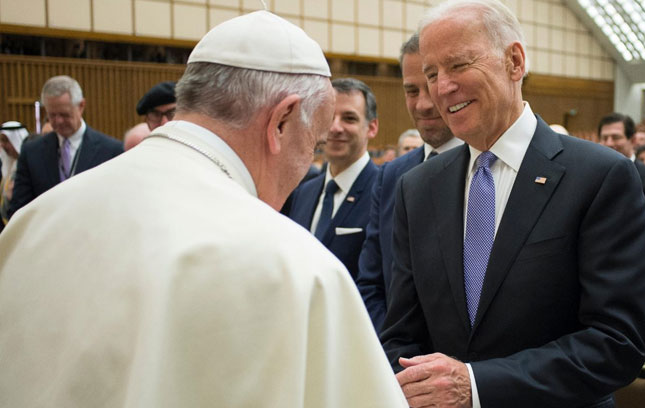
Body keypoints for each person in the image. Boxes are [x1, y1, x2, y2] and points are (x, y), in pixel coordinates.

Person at [0, 11, 407, 408]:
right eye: (312, 142)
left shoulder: (38, 218)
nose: (307, 165)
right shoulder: (293, 266)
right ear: (281, 121)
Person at [382, 1, 645, 407]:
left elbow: (615, 343)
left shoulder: (598, 177)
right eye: (431, 74)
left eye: (457, 66)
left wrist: (477, 386)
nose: (441, 88)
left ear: (514, 61)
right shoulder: (416, 189)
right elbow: (402, 335)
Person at [356, 33, 462, 331]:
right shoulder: (391, 175)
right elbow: (371, 281)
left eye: (431, 88)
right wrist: (396, 355)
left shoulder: (485, 172)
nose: (423, 104)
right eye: (411, 91)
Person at [287, 78, 379, 281]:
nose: (336, 128)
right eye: (329, 118)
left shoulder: (385, 191)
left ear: (371, 128)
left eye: (349, 118)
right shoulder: (303, 192)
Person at [599, 112, 645, 363]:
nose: (609, 143)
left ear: (632, 140)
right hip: (600, 289)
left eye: (616, 137)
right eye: (604, 137)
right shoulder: (593, 176)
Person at [8, 75, 123, 219]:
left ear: (81, 106)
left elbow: (117, 206)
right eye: (52, 115)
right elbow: (19, 210)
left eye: (64, 114)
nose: (58, 121)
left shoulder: (111, 151)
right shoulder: (32, 153)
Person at [0, 121, 29, 226]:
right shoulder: (7, 165)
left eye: (6, 140)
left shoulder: (28, 167)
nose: (2, 145)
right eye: (1, 140)